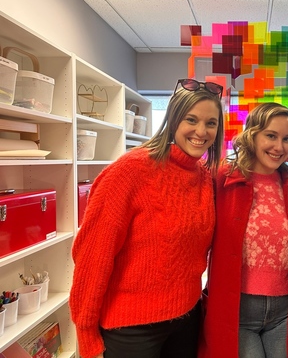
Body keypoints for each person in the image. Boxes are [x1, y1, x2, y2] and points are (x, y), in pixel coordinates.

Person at [69, 78, 224, 358]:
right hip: (131, 328)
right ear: (173, 120)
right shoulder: (129, 172)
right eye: (191, 119)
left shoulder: (204, 178)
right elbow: (92, 257)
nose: (201, 131)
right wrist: (86, 334)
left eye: (211, 123)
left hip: (187, 319)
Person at [199, 102, 288, 358]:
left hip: (284, 311)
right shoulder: (221, 179)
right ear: (252, 135)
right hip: (237, 309)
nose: (279, 147)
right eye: (271, 136)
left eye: (287, 139)